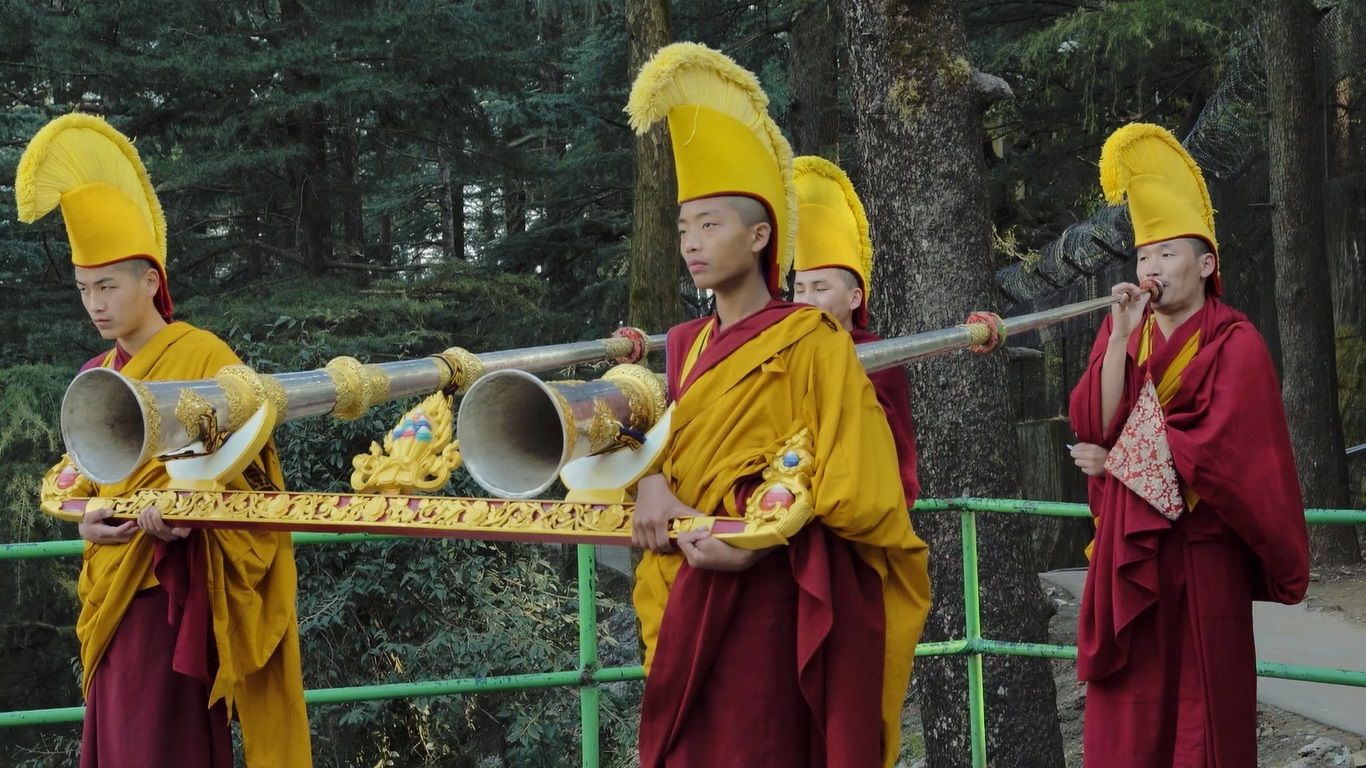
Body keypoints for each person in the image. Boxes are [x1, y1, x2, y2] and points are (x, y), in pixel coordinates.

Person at [624, 42, 931, 768]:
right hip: (686, 588)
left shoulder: (813, 337)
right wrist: (651, 479)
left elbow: (857, 481)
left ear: (760, 235)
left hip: (774, 597)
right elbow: (656, 441)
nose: (692, 244)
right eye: (684, 226)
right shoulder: (683, 344)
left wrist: (755, 542)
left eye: (711, 225)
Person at [17, 113, 312, 767]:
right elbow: (73, 475)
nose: (95, 303)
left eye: (108, 286)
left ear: (150, 281)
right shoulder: (96, 377)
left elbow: (252, 461)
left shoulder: (203, 355)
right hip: (111, 592)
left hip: (170, 593)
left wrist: (186, 510)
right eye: (84, 289)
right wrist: (84, 518)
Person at [1067, 122, 1309, 767]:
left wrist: (1118, 460)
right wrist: (1117, 340)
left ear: (1206, 265)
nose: (1151, 269)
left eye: (1168, 254)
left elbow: (1225, 456)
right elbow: (1092, 422)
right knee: (1129, 715)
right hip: (1128, 550)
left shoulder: (1237, 343)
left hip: (1202, 558)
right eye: (1144, 257)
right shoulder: (1126, 331)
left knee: (1205, 716)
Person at [791, 155, 920, 507]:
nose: (806, 301)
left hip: (862, 502)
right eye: (799, 289)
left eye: (820, 288)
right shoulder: (785, 350)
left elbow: (885, 442)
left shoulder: (877, 356)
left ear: (853, 297)